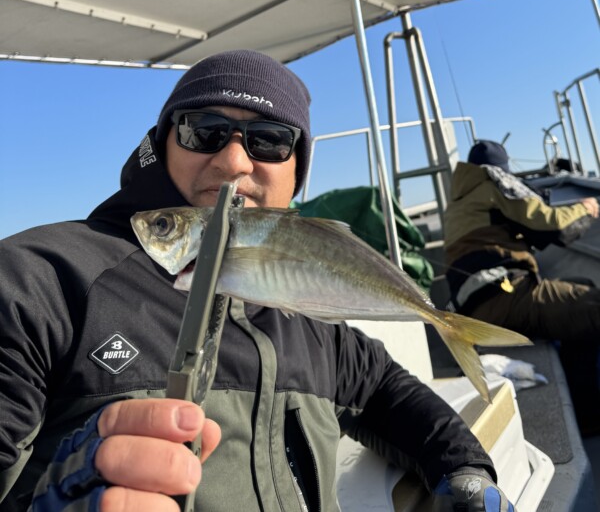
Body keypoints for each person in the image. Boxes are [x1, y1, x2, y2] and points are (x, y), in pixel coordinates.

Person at [0, 51, 515, 512]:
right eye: (204, 130)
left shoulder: (306, 314)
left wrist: (464, 468)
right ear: (162, 143)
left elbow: (383, 387)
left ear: (297, 174)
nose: (232, 162)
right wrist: (57, 495)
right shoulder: (38, 281)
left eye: (269, 141)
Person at [443, 139, 600, 435]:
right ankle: (589, 417)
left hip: (478, 303)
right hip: (504, 296)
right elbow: (552, 223)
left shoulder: (459, 199)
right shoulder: (493, 184)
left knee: (582, 288)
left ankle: (586, 404)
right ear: (499, 170)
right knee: (594, 306)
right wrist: (585, 207)